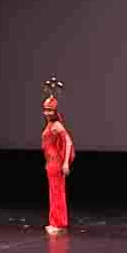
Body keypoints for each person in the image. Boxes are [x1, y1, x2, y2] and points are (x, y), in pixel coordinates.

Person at [41, 76, 75, 235]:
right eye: (46, 110)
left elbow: (68, 141)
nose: (47, 113)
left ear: (55, 112)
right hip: (50, 162)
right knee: (53, 192)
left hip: (56, 162)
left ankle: (59, 223)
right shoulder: (50, 124)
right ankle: (55, 222)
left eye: (50, 110)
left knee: (57, 192)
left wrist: (66, 163)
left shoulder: (57, 125)